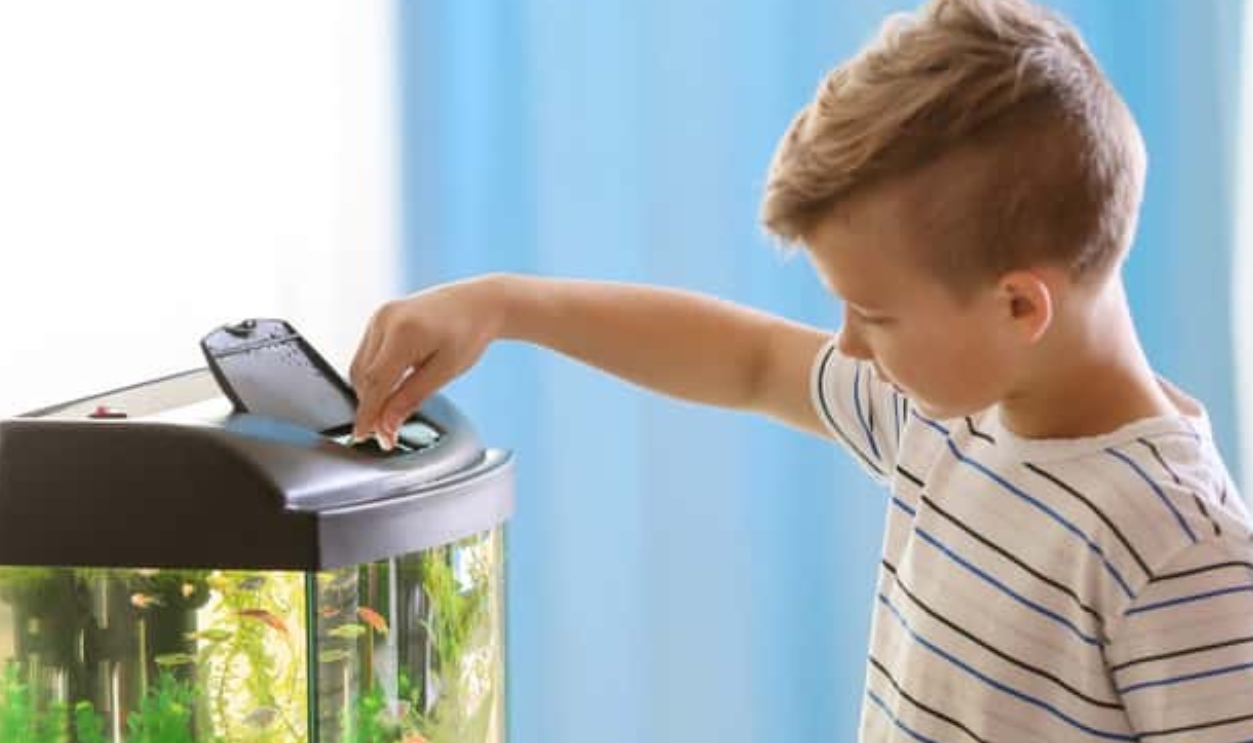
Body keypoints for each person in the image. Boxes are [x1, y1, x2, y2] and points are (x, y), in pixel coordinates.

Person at [350, 0, 1253, 739]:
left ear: (1019, 304)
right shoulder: (949, 415)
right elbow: (747, 361)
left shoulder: (1179, 551)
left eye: (875, 313)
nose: (850, 346)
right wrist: (504, 306)